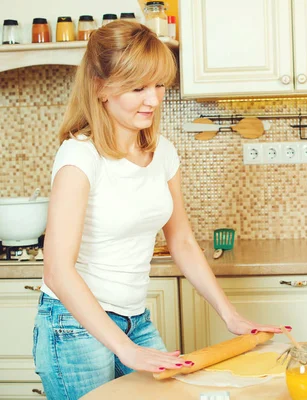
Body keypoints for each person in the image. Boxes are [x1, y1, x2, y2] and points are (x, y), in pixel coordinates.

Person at [33, 21, 282, 399]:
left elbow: (181, 239)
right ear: (101, 88)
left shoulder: (163, 152)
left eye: (159, 84)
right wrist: (125, 348)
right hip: (74, 327)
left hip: (136, 320)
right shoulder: (79, 156)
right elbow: (57, 270)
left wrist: (230, 315)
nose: (154, 99)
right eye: (138, 88)